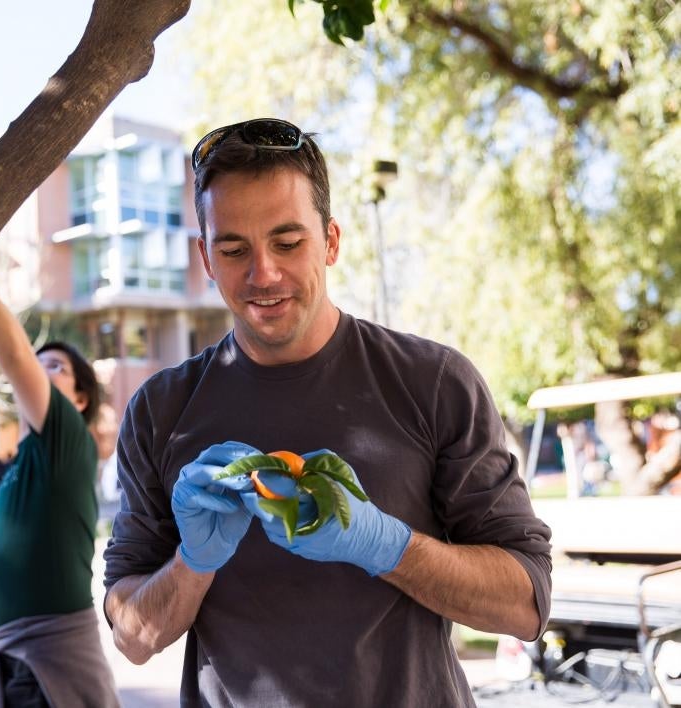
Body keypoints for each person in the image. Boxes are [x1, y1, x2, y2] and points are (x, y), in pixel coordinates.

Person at [102, 118, 553, 707]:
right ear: (206, 259)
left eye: (288, 243)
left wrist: (387, 547)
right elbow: (132, 637)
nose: (263, 273)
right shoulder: (160, 411)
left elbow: (527, 604)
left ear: (332, 242)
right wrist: (193, 561)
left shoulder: (433, 382)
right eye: (234, 249)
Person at [0, 264, 120, 708]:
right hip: (19, 664)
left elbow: (11, 352)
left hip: (44, 669)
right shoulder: (31, 464)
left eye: (54, 366)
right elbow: (41, 523)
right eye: (39, 362)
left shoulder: (67, 436)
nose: (39, 370)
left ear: (80, 399)